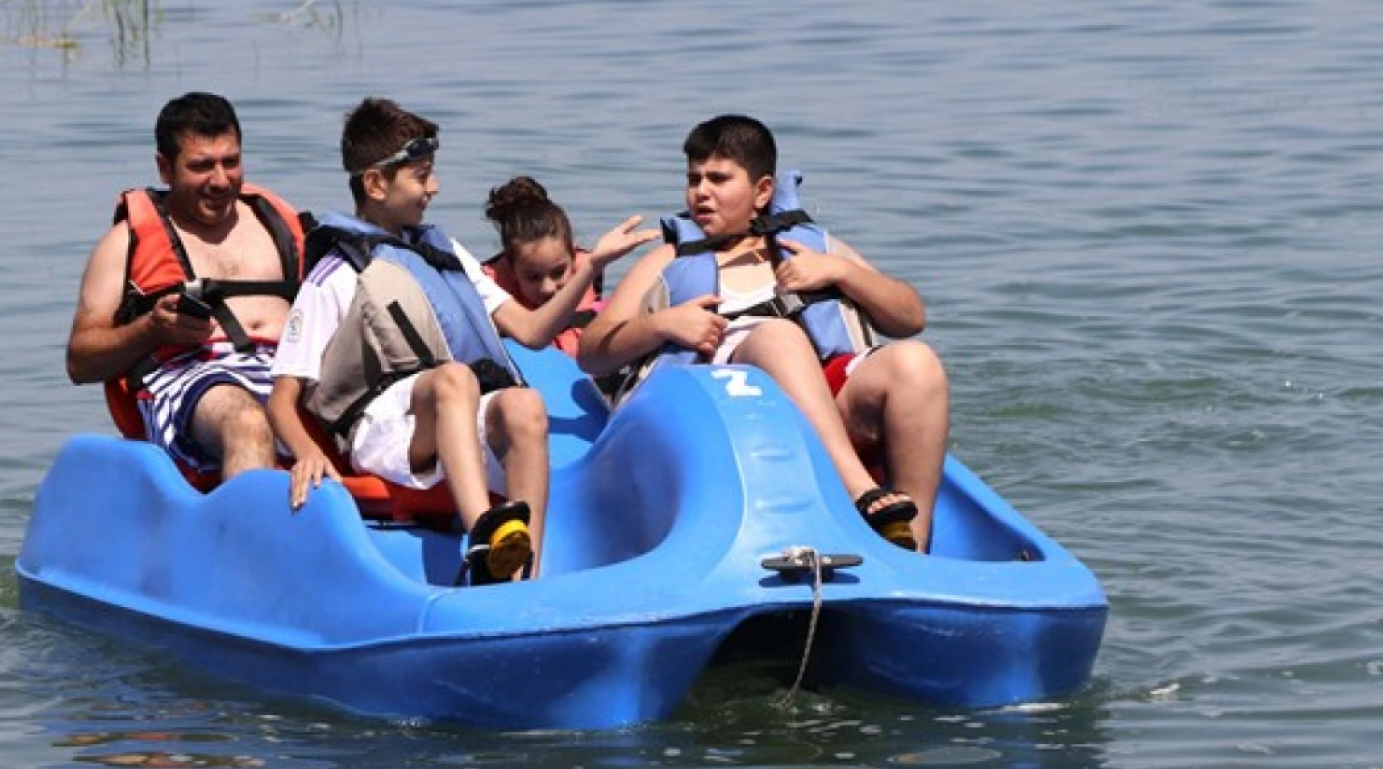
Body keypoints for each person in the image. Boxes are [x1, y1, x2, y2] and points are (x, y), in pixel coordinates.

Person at [268, 98, 653, 585]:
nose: (434, 187)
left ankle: (523, 575)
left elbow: (533, 331)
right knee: (454, 379)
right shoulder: (336, 274)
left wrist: (591, 266)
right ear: (376, 183)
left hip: (454, 414)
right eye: (422, 176)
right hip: (385, 430)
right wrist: (308, 453)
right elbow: (282, 399)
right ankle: (483, 538)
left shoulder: (444, 252)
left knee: (524, 405)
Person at [578, 114, 950, 551]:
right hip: (723, 421)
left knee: (917, 362)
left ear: (763, 191)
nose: (701, 192)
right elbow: (591, 352)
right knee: (779, 336)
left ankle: (912, 539)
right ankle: (858, 491)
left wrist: (842, 272)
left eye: (719, 179)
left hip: (821, 407)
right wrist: (660, 324)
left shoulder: (810, 247)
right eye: (694, 179)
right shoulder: (668, 260)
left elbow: (909, 318)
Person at [65, 92, 303, 491]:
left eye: (231, 162)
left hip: (291, 373)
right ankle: (249, 530)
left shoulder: (278, 223)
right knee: (247, 422)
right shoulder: (125, 243)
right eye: (201, 166)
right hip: (190, 384)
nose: (220, 181)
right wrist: (151, 330)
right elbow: (79, 362)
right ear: (165, 168)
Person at [481, 175, 608, 357]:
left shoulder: (586, 271)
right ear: (511, 270)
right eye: (533, 277)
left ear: (573, 258)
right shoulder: (488, 289)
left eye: (558, 272)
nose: (547, 288)